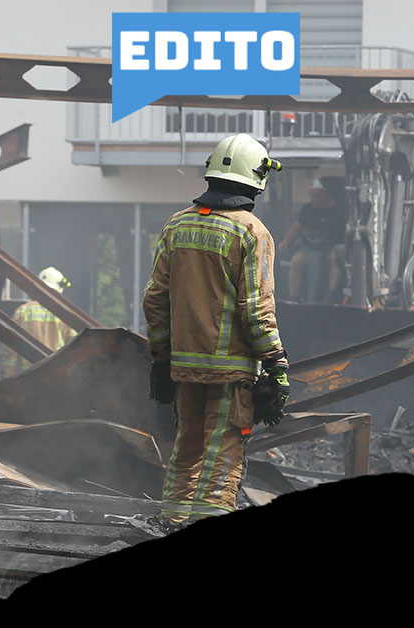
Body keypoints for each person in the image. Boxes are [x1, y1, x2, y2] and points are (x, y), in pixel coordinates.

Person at [143, 133, 291, 524]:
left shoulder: (177, 226)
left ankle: (171, 525)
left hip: (184, 369)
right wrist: (276, 363)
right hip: (231, 372)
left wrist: (160, 361)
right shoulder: (250, 232)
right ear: (257, 177)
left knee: (186, 450)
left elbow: (154, 300)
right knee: (223, 457)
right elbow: (256, 309)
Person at [279, 177, 347, 303]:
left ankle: (331, 295)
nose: (312, 199)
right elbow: (297, 227)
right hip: (309, 249)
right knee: (296, 260)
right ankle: (292, 298)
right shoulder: (308, 209)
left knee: (335, 257)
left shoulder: (340, 210)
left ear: (326, 194)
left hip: (331, 249)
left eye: (316, 196)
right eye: (311, 196)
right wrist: (286, 241)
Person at [1, 266, 76, 378]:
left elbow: (10, 350)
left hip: (29, 377)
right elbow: (74, 346)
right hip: (56, 376)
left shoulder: (23, 311)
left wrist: (7, 379)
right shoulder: (63, 314)